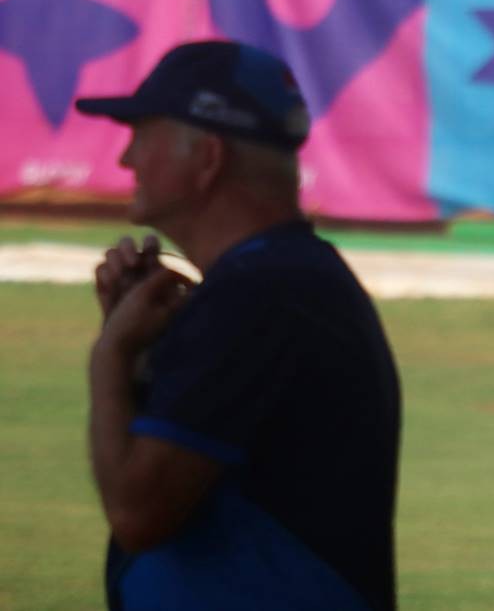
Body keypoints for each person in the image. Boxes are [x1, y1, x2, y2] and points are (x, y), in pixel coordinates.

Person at [76, 40, 401, 611]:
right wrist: (145, 353)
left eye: (142, 135)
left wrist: (111, 357)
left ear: (207, 158)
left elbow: (137, 513)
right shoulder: (283, 281)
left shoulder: (258, 297)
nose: (126, 160)